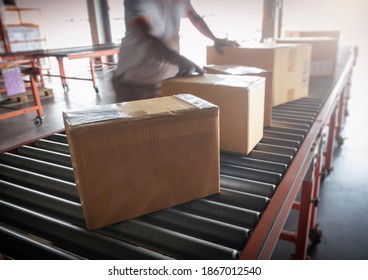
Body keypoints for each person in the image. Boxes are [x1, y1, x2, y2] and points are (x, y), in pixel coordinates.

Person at [112, 0, 239, 102]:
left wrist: (215, 39)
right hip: (135, 80)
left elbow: (194, 17)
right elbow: (151, 37)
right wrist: (179, 60)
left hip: (166, 79)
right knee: (136, 131)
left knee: (167, 130)